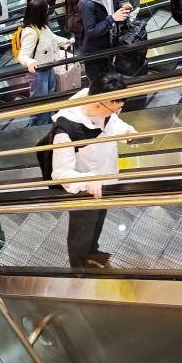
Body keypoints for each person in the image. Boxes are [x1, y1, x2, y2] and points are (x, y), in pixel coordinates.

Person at [50, 73, 137, 268]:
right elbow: (60, 173)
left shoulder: (99, 104)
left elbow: (113, 124)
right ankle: (79, 266)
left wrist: (127, 133)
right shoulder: (66, 130)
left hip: (106, 180)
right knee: (82, 229)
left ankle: (92, 252)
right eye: (115, 109)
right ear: (99, 104)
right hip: (85, 188)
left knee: (98, 221)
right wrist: (89, 180)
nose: (117, 114)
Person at [18, 0, 74, 125]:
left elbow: (52, 38)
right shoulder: (30, 32)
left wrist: (65, 41)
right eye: (46, 8)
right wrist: (29, 62)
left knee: (49, 99)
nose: (48, 9)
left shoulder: (42, 27)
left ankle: (46, 123)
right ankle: (39, 127)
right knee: (40, 103)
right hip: (38, 73)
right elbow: (22, 55)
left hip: (49, 68)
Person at [79, 0, 130, 82]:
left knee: (109, 79)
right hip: (95, 52)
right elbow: (91, 31)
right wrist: (112, 18)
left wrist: (122, 9)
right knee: (98, 85)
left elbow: (111, 10)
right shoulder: (87, 3)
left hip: (109, 45)